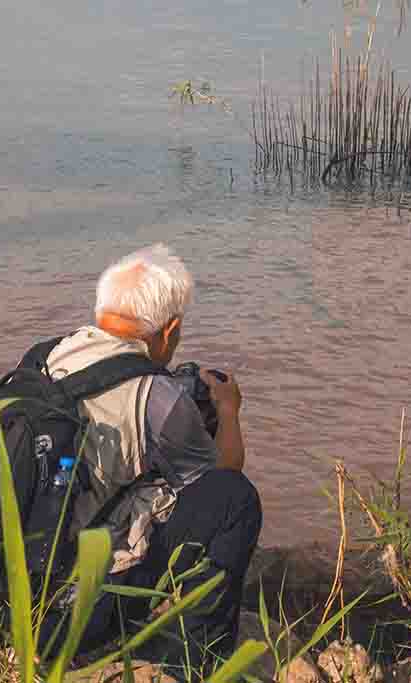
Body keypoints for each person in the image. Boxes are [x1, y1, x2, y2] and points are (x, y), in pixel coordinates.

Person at [38, 243, 262, 679]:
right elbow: (222, 476)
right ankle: (199, 663)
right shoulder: (156, 397)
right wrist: (228, 411)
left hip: (10, 600)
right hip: (68, 624)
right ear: (170, 328)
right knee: (236, 500)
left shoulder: (47, 357)